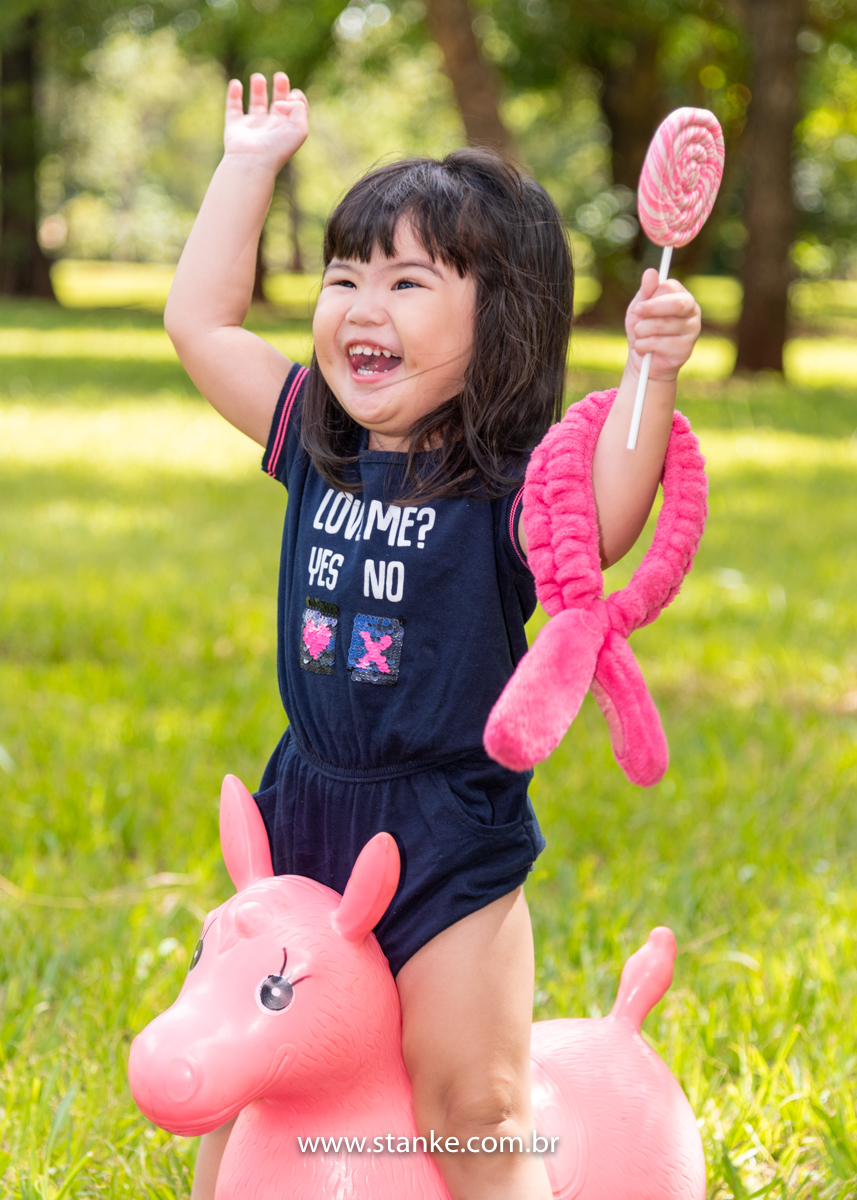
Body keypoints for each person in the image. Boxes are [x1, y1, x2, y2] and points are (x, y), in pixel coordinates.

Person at [165, 71, 701, 1200]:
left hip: (443, 826)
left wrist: (648, 368)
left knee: (473, 1104)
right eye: (344, 275)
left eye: (407, 282)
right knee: (261, 1077)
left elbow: (602, 521)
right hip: (306, 806)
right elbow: (201, 322)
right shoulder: (317, 436)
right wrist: (249, 163)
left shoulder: (512, 478)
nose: (362, 305)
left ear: (496, 315)